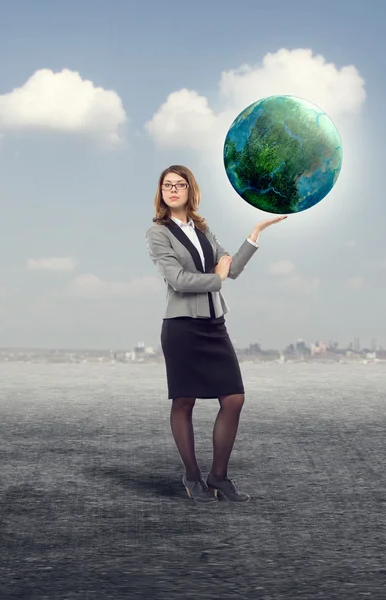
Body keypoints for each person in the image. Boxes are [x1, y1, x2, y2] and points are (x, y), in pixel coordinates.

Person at [145, 165, 286, 504]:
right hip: (181, 326)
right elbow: (178, 279)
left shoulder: (202, 229)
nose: (173, 190)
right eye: (167, 185)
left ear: (190, 190)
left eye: (180, 184)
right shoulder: (158, 233)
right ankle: (192, 477)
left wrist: (255, 233)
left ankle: (218, 477)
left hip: (213, 324)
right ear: (161, 192)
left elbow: (231, 268)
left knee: (234, 398)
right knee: (184, 401)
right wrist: (217, 278)